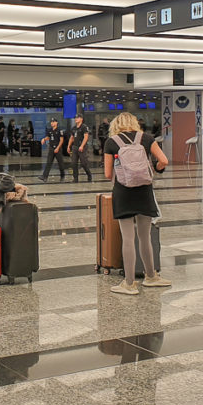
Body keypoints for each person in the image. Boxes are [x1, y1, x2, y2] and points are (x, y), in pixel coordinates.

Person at [103, 112, 170, 294]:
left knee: (128, 238)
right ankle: (151, 276)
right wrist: (155, 169)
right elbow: (164, 160)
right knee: (144, 236)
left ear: (116, 125)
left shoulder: (111, 142)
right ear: (134, 123)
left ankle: (130, 283)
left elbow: (108, 174)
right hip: (144, 192)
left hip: (123, 192)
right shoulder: (146, 138)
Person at [68, 114, 93, 182]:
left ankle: (89, 175)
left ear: (81, 119)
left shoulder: (84, 127)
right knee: (74, 163)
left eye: (78, 118)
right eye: (75, 118)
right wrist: (68, 146)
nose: (76, 119)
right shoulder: (74, 128)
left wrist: (82, 146)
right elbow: (72, 137)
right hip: (75, 147)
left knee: (83, 163)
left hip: (82, 147)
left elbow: (86, 137)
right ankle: (75, 178)